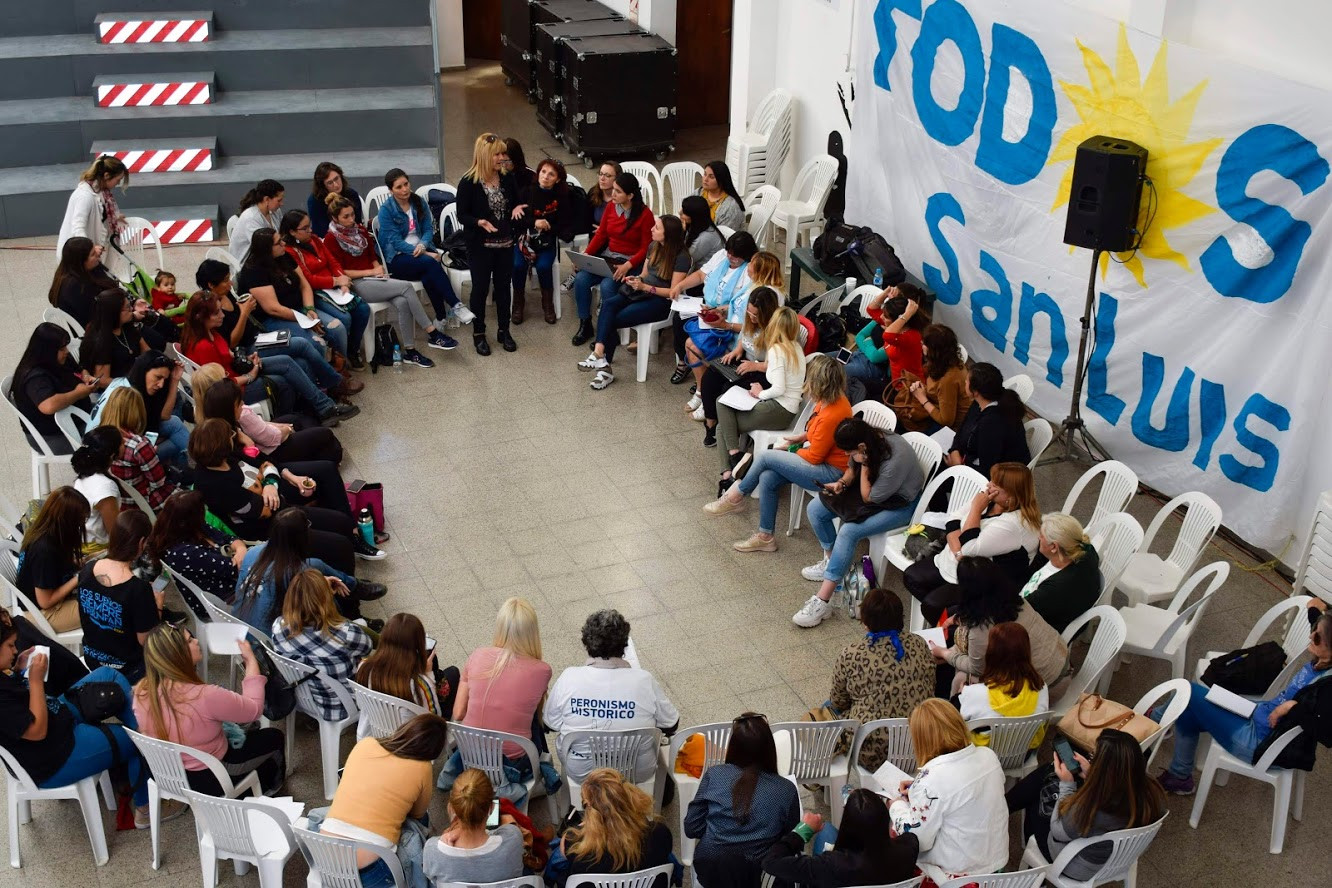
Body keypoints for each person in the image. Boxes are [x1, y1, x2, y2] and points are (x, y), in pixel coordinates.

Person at [0, 621, 163, 829]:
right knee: (138, 741)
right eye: (10, 645)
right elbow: (38, 731)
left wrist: (16, 671)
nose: (15, 650)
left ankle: (153, 740)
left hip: (58, 719)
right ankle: (145, 808)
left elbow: (16, 700)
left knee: (109, 676)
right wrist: (35, 680)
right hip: (55, 756)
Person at [1157, 601, 1332, 795]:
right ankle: (1179, 776)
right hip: (1257, 714)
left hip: (1260, 742)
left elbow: (1327, 734)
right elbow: (1319, 622)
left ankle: (1151, 721)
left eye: (1317, 637)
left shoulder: (1328, 687)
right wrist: (1315, 608)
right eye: (1314, 630)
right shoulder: (1324, 656)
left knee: (1187, 690)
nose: (1311, 636)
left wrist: (1291, 707)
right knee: (1188, 711)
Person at [189, 418, 384, 566]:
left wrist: (270, 484)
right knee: (340, 545)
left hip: (280, 508)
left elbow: (267, 463)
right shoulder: (213, 484)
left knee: (341, 521)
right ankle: (349, 593)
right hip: (271, 529)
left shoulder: (228, 458)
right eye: (231, 436)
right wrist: (274, 484)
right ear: (222, 445)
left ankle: (353, 542)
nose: (234, 437)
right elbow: (265, 509)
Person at [792, 420, 927, 627]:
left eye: (849, 452)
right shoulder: (867, 439)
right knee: (815, 509)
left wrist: (864, 463)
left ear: (862, 447)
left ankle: (823, 600)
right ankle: (832, 562)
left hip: (900, 503)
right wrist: (842, 483)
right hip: (873, 486)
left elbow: (869, 497)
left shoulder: (894, 460)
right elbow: (851, 469)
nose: (847, 455)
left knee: (848, 531)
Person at [704, 354, 853, 532]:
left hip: (830, 473)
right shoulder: (830, 399)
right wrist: (803, 437)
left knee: (766, 457)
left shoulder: (832, 412)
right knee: (768, 477)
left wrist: (790, 451)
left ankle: (736, 496)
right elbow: (822, 433)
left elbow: (815, 457)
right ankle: (765, 536)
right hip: (821, 461)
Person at [132, 622, 285, 795]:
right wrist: (250, 661)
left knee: (244, 729)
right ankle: (271, 789)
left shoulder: (140, 692)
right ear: (178, 655)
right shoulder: (205, 695)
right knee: (274, 736)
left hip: (170, 774)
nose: (196, 641)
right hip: (214, 775)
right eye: (190, 640)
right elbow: (254, 710)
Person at [192, 258, 355, 416]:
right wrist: (244, 314)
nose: (230, 283)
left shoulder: (224, 296)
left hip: (255, 342)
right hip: (247, 351)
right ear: (211, 285)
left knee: (301, 360)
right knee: (301, 345)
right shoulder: (211, 316)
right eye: (225, 280)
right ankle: (332, 389)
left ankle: (317, 403)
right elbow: (231, 345)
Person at [1006, 729, 1166, 882]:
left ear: (1104, 769)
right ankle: (1005, 806)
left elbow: (1057, 832)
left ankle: (1034, 872)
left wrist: (1067, 784)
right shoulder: (1152, 792)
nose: (1090, 759)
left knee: (1040, 796)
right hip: (1118, 859)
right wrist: (1092, 775)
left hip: (1075, 864)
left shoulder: (1092, 806)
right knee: (1045, 780)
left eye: (1094, 756)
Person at [545, 609, 679, 786]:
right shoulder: (644, 680)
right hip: (635, 772)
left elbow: (551, 724)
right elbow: (671, 723)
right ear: (624, 645)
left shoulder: (569, 678)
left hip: (584, 773)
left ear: (587, 643)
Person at [315, 713, 449, 888]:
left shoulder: (366, 744)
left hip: (324, 858)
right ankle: (429, 861)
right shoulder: (422, 767)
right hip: (369, 872)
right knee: (421, 821)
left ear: (405, 729)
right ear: (433, 752)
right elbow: (418, 814)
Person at [904, 461, 1042, 626]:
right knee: (911, 577)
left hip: (984, 582)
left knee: (931, 605)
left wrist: (975, 510)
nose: (989, 486)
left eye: (996, 484)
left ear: (1011, 497)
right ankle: (950, 620)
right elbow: (952, 520)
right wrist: (959, 553)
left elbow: (969, 548)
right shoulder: (990, 499)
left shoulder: (1013, 524)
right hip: (960, 562)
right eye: (991, 480)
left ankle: (958, 628)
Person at [322, 192, 457, 360]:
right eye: (346, 217)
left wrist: (378, 269)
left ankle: (410, 351)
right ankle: (433, 333)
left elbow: (372, 257)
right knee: (406, 287)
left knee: (402, 301)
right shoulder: (331, 239)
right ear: (335, 219)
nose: (351, 219)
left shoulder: (360, 230)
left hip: (374, 278)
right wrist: (372, 272)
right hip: (355, 283)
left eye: (352, 214)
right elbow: (340, 271)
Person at [439, 598, 552, 794]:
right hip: (514, 763)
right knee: (532, 719)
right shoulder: (542, 670)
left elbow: (458, 713)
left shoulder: (477, 655)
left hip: (471, 754)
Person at [889, 699, 1007, 885]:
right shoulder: (988, 756)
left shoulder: (931, 781)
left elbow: (918, 841)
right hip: (996, 868)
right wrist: (918, 790)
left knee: (891, 833)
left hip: (956, 878)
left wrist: (896, 805)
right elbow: (962, 792)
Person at [684, 712, 800, 887]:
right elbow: (790, 837)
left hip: (710, 870)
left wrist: (720, 831)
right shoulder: (786, 790)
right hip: (759, 875)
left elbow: (692, 827)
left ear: (733, 746)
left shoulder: (715, 775)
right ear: (769, 748)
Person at [576, 214, 690, 390]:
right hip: (639, 291)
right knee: (608, 305)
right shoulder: (653, 246)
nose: (652, 229)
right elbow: (644, 274)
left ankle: (605, 368)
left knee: (612, 318)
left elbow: (673, 292)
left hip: (660, 301)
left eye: (657, 227)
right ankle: (599, 353)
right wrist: (636, 279)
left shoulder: (681, 257)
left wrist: (645, 287)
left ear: (668, 234)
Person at [824, 588, 934, 770]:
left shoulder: (851, 654)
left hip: (872, 752)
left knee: (826, 708)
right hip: (922, 744)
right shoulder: (919, 644)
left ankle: (822, 776)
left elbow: (838, 701)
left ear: (865, 621)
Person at [930, 557, 1068, 697]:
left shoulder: (980, 629)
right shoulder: (1016, 601)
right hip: (1062, 659)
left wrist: (944, 653)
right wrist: (961, 619)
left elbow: (976, 669)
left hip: (1044, 688)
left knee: (960, 679)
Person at [233, 507, 387, 632]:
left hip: (240, 630)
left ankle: (353, 587)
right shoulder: (298, 570)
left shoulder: (253, 552)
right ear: (301, 537)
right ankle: (353, 589)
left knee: (316, 567)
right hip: (271, 640)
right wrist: (322, 586)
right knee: (318, 573)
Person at [202, 378, 352, 506]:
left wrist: (289, 475)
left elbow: (263, 460)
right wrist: (278, 479)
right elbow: (261, 460)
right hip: (271, 475)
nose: (242, 404)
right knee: (327, 464)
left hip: (273, 469)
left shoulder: (230, 429)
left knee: (322, 453)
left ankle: (328, 492)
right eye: (238, 404)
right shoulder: (229, 443)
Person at [374, 169, 473, 333]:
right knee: (430, 263)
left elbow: (427, 229)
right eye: (399, 187)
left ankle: (440, 318)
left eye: (406, 184)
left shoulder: (418, 202)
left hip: (421, 253)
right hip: (397, 258)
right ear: (391, 190)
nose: (404, 189)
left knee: (428, 272)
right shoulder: (386, 210)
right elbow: (395, 242)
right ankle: (455, 305)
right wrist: (423, 252)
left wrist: (422, 245)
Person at [238, 227, 357, 361]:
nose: (283, 243)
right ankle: (327, 370)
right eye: (278, 243)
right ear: (266, 249)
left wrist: (309, 309)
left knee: (338, 328)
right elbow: (273, 309)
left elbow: (304, 285)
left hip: (299, 307)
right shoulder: (254, 271)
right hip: (275, 318)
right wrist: (305, 320)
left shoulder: (284, 256)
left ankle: (341, 363)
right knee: (317, 343)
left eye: (281, 240)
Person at [760, 788, 919, 887]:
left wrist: (802, 831)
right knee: (828, 830)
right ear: (885, 820)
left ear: (847, 824)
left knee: (827, 830)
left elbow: (770, 862)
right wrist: (899, 805)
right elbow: (910, 832)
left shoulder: (829, 865)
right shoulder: (908, 848)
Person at [455, 137, 526, 355]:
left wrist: (517, 208)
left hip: (505, 242)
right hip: (480, 245)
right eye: (498, 154)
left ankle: (504, 330)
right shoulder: (468, 182)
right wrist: (479, 222)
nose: (502, 158)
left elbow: (517, 202)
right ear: (485, 155)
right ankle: (479, 333)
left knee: (504, 287)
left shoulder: (507, 177)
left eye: (503, 154)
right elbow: (462, 214)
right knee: (480, 288)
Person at [271, 569, 373, 721]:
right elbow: (367, 648)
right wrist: (325, 591)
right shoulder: (347, 633)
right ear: (326, 598)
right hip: (342, 705)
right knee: (362, 627)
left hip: (302, 699)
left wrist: (318, 587)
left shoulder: (278, 626)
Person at [714, 307, 807, 473]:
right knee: (723, 414)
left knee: (723, 421)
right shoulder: (796, 348)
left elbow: (778, 388)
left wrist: (760, 393)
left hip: (778, 409)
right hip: (785, 409)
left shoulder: (777, 350)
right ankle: (728, 473)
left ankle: (734, 459)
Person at [76, 510, 163, 681]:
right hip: (128, 669)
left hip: (93, 659)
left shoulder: (87, 570)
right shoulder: (138, 589)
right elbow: (147, 640)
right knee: (184, 639)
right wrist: (158, 606)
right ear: (141, 543)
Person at [571, 172, 655, 347]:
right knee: (581, 279)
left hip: (631, 262)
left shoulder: (645, 214)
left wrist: (628, 265)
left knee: (607, 286)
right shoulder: (611, 207)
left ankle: (609, 331)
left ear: (630, 195)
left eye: (618, 191)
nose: (613, 194)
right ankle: (585, 324)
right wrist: (586, 255)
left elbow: (647, 248)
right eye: (613, 189)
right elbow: (601, 234)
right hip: (608, 257)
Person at [551, 768, 673, 888]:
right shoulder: (660, 832)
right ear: (631, 796)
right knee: (671, 859)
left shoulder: (574, 842)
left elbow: (565, 851)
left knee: (557, 853)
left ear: (589, 810)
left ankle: (547, 881)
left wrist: (584, 828)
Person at [281, 208, 373, 367]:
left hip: (334, 285)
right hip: (316, 292)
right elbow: (308, 279)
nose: (310, 230)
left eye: (309, 225)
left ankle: (352, 349)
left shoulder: (314, 240)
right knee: (344, 318)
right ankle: (339, 357)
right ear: (292, 232)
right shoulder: (290, 251)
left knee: (363, 309)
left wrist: (342, 281)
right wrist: (336, 281)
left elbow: (333, 262)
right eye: (305, 228)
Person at [670, 231, 761, 390]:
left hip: (725, 314)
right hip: (707, 305)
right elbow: (701, 275)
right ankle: (684, 362)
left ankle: (701, 374)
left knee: (697, 340)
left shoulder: (749, 271)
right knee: (679, 320)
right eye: (729, 252)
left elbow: (740, 304)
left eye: (735, 256)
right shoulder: (721, 256)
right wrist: (680, 286)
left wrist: (718, 310)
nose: (730, 257)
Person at [204, 372, 343, 465]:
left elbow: (262, 426)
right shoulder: (240, 420)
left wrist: (281, 427)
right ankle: (329, 459)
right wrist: (286, 429)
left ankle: (322, 454)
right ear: (229, 408)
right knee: (325, 433)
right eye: (238, 403)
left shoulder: (226, 419)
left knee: (296, 419)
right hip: (273, 452)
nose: (242, 404)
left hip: (267, 440)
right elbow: (270, 438)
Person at [699, 287, 781, 442]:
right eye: (749, 312)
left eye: (756, 315)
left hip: (764, 371)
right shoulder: (750, 319)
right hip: (747, 362)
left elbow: (779, 364)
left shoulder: (777, 330)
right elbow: (744, 336)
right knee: (710, 377)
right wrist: (737, 350)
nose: (751, 317)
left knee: (728, 389)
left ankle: (726, 430)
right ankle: (711, 423)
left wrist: (755, 366)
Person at [423, 768, 525, 886]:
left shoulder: (432, 849)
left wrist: (448, 835)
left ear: (452, 808)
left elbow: (432, 879)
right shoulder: (513, 837)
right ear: (492, 808)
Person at [87, 350, 189, 468]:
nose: (161, 384)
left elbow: (164, 416)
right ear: (144, 371)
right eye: (158, 377)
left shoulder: (125, 382)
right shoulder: (129, 397)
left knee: (175, 423)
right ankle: (184, 470)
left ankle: (180, 468)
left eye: (164, 380)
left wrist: (174, 380)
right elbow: (128, 442)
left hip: (105, 442)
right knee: (177, 438)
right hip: (109, 459)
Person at [10, 323, 98, 456]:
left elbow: (79, 369)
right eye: (62, 349)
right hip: (55, 435)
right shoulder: (35, 377)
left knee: (118, 410)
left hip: (75, 415)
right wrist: (78, 393)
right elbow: (49, 406)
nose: (66, 351)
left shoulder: (58, 359)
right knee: (112, 438)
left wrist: (85, 376)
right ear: (47, 351)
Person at [146, 490, 246, 605]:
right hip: (225, 597)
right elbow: (234, 569)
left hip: (232, 582)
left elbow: (228, 537)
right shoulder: (184, 553)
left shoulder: (195, 527)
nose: (205, 511)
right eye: (202, 509)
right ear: (194, 516)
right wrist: (241, 552)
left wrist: (240, 549)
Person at [958, 622, 1049, 748]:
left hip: (983, 753)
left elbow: (960, 721)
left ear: (992, 653)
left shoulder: (974, 693)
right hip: (1024, 751)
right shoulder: (1041, 688)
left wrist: (963, 694)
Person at [356, 612, 460, 720]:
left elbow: (360, 703)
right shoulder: (420, 683)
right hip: (410, 729)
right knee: (453, 672)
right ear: (418, 645)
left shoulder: (363, 666)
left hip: (376, 723)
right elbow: (434, 718)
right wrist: (428, 675)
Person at [16, 487, 87, 633]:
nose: (82, 526)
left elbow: (56, 566)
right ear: (68, 521)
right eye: (80, 521)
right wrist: (80, 577)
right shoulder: (43, 550)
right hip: (41, 614)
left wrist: (81, 564)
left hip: (44, 601)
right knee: (105, 608)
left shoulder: (45, 531)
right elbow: (45, 601)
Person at [1021, 513, 1102, 633]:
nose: (1039, 538)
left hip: (1037, 629)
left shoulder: (1055, 588)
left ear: (1054, 547)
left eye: (1042, 536)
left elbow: (1020, 610)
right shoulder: (1085, 550)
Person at [516, 157, 573, 325]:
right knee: (517, 265)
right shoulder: (526, 192)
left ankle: (548, 305)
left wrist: (548, 226)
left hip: (546, 241)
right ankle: (518, 304)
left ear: (558, 179)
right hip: (524, 240)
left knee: (543, 266)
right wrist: (535, 222)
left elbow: (564, 224)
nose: (546, 176)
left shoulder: (562, 198)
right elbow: (516, 220)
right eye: (543, 171)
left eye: (551, 174)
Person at [99, 386, 176, 511]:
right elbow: (159, 483)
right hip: (144, 504)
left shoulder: (96, 437)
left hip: (118, 503)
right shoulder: (139, 445)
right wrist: (152, 456)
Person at [847, 283, 927, 401]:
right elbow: (871, 310)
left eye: (894, 296)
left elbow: (880, 348)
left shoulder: (911, 336)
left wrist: (868, 343)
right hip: (889, 380)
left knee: (837, 375)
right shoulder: (891, 322)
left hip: (905, 389)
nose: (882, 318)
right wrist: (886, 292)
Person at [947, 362, 1029, 475]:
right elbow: (962, 430)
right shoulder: (981, 401)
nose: (964, 382)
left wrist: (959, 467)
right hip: (975, 461)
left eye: (966, 381)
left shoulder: (992, 423)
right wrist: (955, 450)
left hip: (1003, 476)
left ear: (975, 392)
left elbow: (988, 470)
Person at [896, 324, 972, 433]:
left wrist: (922, 398)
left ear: (933, 350)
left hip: (948, 429)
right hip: (935, 405)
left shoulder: (948, 380)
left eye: (924, 343)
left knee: (902, 426)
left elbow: (946, 421)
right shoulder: (946, 361)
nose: (921, 344)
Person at [56, 155, 129, 258]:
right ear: (107, 175)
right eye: (118, 180)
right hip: (75, 257)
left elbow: (98, 214)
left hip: (86, 255)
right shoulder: (85, 196)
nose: (118, 183)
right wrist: (90, 248)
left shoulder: (100, 192)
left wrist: (114, 217)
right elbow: (77, 228)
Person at [80, 288, 147, 385]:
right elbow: (102, 381)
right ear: (114, 312)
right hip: (119, 388)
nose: (131, 309)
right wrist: (134, 384)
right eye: (127, 307)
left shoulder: (126, 327)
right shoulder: (101, 340)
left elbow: (147, 352)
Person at [48, 236, 120, 327]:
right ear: (81, 262)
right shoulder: (74, 287)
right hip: (96, 329)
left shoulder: (83, 270)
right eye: (93, 254)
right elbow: (97, 315)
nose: (98, 254)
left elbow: (110, 285)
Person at [71, 426, 122, 550]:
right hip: (98, 548)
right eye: (122, 443)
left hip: (82, 540)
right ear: (112, 455)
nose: (125, 443)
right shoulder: (105, 487)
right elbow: (115, 533)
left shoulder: (85, 473)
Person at [228, 178, 285, 261]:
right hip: (246, 263)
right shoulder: (251, 218)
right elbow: (263, 249)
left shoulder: (275, 211)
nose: (282, 204)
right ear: (266, 199)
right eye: (279, 200)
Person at [307, 161, 363, 237]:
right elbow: (321, 231)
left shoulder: (352, 194)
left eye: (336, 178)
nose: (336, 185)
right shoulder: (314, 202)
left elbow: (357, 222)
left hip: (353, 236)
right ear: (323, 186)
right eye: (330, 183)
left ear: (341, 176)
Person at [698, 160, 746, 231]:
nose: (705, 179)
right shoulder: (699, 192)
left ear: (721, 181)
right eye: (705, 174)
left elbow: (724, 235)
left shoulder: (730, 208)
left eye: (711, 177)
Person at [586, 161, 622, 230]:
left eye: (607, 176)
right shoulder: (593, 193)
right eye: (600, 174)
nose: (602, 178)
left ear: (617, 178)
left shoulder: (623, 197)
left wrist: (605, 230)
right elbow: (587, 219)